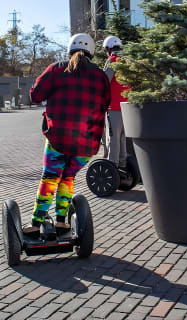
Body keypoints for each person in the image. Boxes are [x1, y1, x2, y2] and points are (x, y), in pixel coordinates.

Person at [23, 33, 111, 238]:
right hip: (86, 144)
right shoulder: (100, 76)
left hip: (59, 140)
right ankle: (61, 222)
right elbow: (105, 104)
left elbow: (35, 96)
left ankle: (36, 223)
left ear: (70, 49)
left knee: (51, 177)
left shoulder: (56, 69)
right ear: (92, 52)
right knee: (68, 177)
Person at [102, 35, 130, 172]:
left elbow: (104, 81)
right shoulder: (127, 61)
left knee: (112, 138)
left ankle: (112, 167)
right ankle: (123, 166)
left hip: (114, 106)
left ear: (108, 48)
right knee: (122, 138)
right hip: (127, 106)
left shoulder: (112, 60)